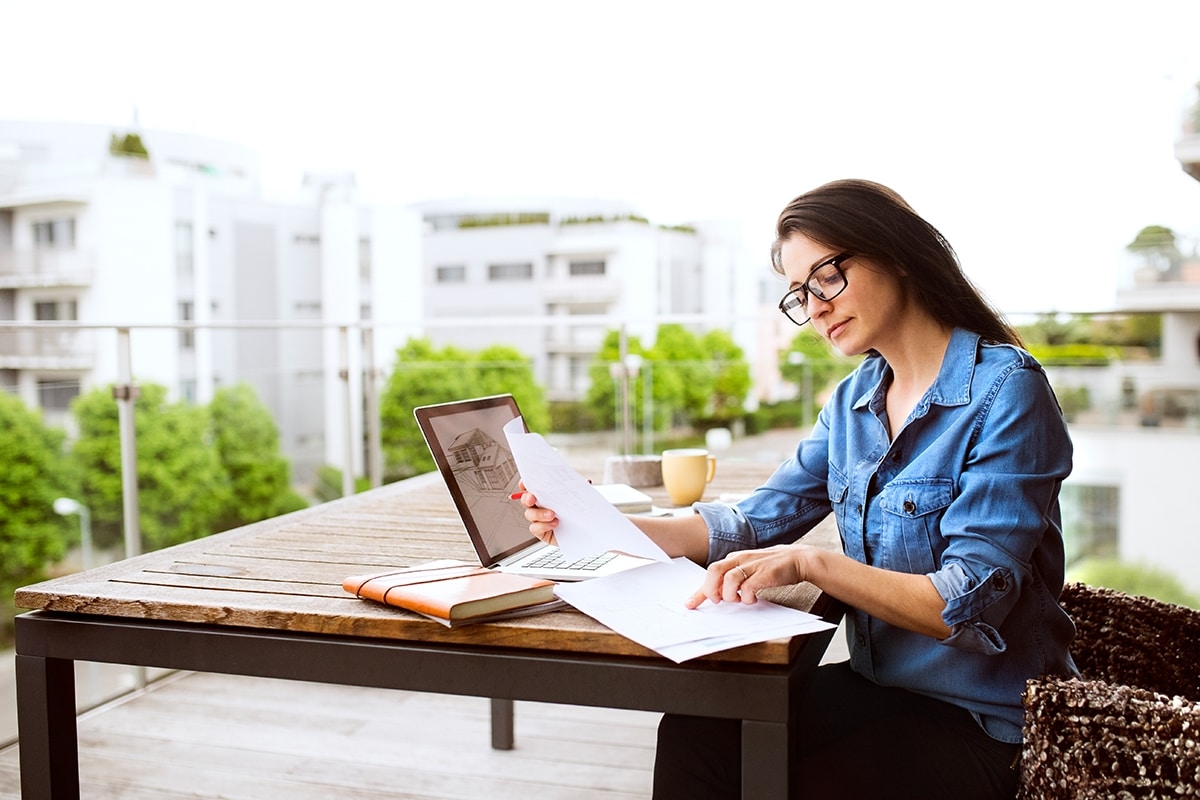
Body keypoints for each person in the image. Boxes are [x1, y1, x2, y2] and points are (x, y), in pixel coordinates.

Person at [518, 178, 1077, 799]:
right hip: (883, 688)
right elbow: (755, 521)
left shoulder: (1007, 392)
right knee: (697, 728)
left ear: (895, 252)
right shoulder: (852, 403)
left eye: (827, 277)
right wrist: (595, 519)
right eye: (798, 294)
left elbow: (968, 600)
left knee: (792, 785)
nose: (814, 308)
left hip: (984, 721)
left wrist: (815, 563)